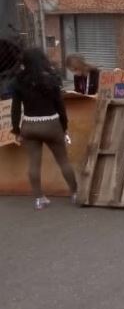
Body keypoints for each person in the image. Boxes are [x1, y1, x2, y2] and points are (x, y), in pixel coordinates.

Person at [11, 48, 78, 210]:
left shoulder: (19, 81)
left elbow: (15, 108)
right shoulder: (52, 79)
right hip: (52, 124)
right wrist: (64, 127)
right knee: (63, 161)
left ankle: (39, 199)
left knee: (34, 163)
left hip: (29, 125)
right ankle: (75, 193)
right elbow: (60, 106)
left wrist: (16, 130)